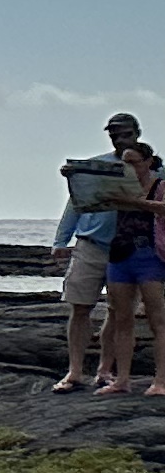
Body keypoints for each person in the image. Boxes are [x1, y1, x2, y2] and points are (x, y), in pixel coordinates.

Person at [53, 114, 147, 389]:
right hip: (91, 244)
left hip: (129, 247)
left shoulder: (152, 166)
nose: (119, 138)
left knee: (119, 312)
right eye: (114, 134)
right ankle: (74, 372)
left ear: (137, 133)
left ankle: (105, 370)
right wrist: (61, 240)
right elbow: (75, 203)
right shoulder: (96, 165)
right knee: (80, 307)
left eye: (125, 133)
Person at [106, 137, 165, 395]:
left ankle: (160, 381)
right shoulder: (117, 186)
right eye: (125, 163)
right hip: (120, 254)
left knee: (157, 320)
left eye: (134, 163)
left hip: (150, 256)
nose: (130, 168)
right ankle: (122, 380)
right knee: (121, 318)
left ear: (148, 162)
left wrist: (135, 203)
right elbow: (87, 196)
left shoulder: (160, 185)